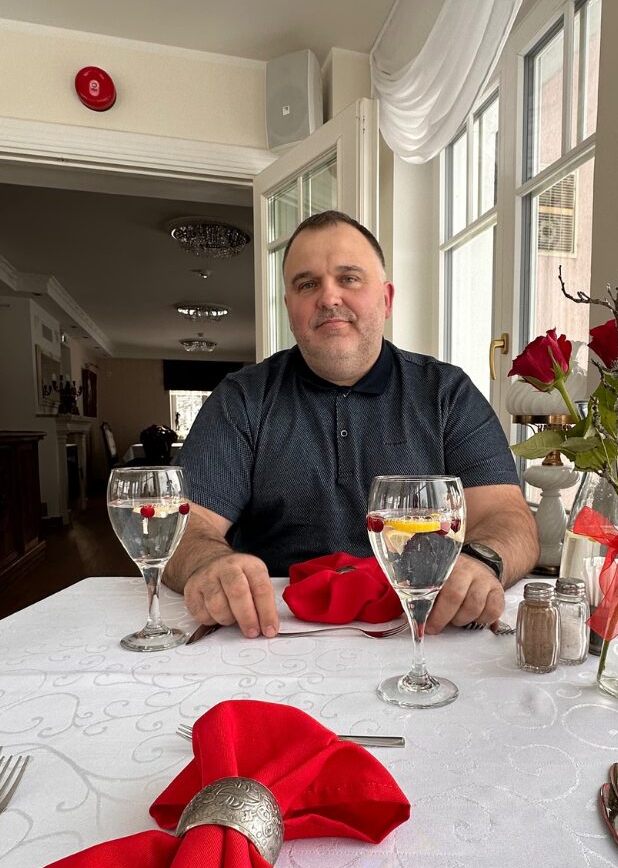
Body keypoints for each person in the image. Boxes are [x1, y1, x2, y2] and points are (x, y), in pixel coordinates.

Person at [164, 210, 538, 637]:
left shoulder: (447, 393)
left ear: (387, 299)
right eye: (307, 284)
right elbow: (184, 522)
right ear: (289, 308)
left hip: (424, 627)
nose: (329, 297)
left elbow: (508, 516)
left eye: (349, 278)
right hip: (271, 630)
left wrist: (482, 561)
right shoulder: (241, 398)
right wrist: (211, 563)